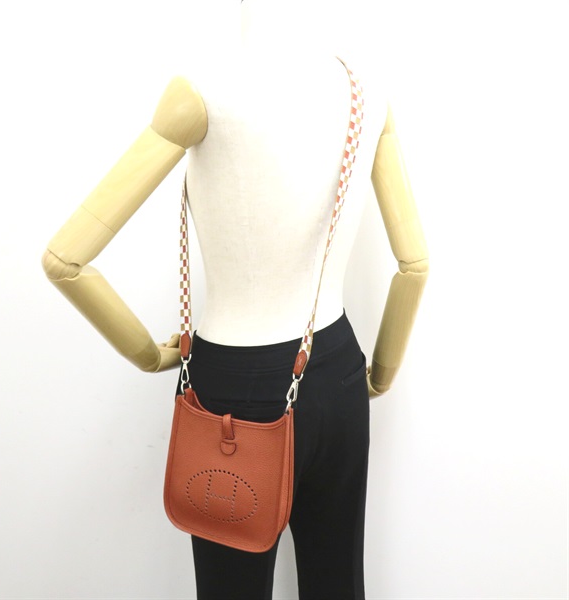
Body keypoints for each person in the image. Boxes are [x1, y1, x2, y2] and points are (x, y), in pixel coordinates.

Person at [42, 1, 428, 598]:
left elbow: (65, 260)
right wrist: (378, 372)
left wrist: (151, 355)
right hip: (340, 375)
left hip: (233, 391)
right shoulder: (367, 91)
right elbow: (415, 265)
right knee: (338, 584)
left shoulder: (199, 93)